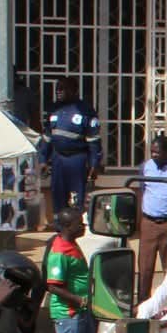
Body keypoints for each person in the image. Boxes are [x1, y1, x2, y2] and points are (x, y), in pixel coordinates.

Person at [37, 77, 100, 225]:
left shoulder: (85, 110)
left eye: (62, 88)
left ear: (74, 90)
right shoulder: (54, 109)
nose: (58, 91)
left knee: (76, 198)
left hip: (77, 160)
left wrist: (94, 164)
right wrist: (42, 159)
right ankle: (60, 229)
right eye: (57, 88)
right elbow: (47, 137)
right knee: (58, 195)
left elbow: (93, 141)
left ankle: (75, 227)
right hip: (58, 159)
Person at [43, 209, 94, 333]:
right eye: (79, 223)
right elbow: (53, 286)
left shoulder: (71, 245)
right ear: (67, 226)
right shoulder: (59, 252)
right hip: (69, 314)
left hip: (81, 311)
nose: (83, 225)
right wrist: (79, 300)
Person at [137, 133, 167, 303]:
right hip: (149, 223)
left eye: (158, 152)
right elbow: (143, 191)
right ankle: (142, 303)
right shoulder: (145, 167)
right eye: (152, 152)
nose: (154, 155)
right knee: (145, 267)